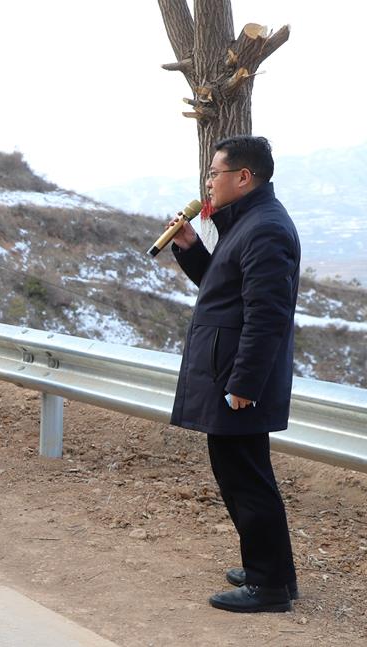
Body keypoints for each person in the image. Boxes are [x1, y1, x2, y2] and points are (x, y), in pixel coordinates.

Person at [167, 135, 300, 613]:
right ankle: (275, 572)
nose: (208, 182)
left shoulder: (265, 229)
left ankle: (268, 587)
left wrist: (244, 383)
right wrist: (189, 249)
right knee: (246, 475)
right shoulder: (247, 223)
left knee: (245, 479)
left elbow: (266, 315)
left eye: (214, 173)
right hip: (229, 372)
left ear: (243, 177)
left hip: (238, 380)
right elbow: (223, 289)